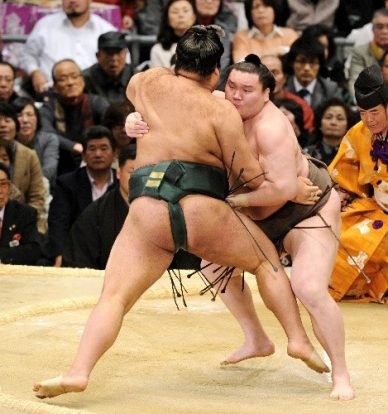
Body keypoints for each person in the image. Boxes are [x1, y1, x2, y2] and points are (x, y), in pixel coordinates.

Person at [33, 25, 324, 399]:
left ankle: (78, 371)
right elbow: (249, 176)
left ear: (176, 60)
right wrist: (288, 185)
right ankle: (297, 339)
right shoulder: (220, 109)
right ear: (216, 72)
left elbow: (135, 92)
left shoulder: (145, 81)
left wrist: (136, 120)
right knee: (266, 262)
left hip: (146, 209)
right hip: (198, 208)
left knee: (114, 298)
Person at [127, 54, 354, 400]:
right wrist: (134, 120)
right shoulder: (218, 105)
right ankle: (257, 338)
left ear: (267, 94)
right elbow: (159, 105)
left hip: (307, 211)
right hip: (257, 211)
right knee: (213, 266)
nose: (235, 95)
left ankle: (341, 373)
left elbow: (281, 189)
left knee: (308, 288)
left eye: (247, 90)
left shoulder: (272, 128)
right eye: (231, 86)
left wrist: (234, 204)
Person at [328, 64, 388, 303]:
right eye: (362, 112)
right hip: (374, 207)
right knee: (335, 239)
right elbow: (343, 174)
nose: (368, 119)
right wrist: (341, 194)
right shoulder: (358, 133)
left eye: (374, 112)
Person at [46, 125, 117, 267]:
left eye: (104, 148)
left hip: (116, 254)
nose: (98, 154)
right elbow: (58, 223)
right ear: (84, 155)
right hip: (76, 253)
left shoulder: (123, 184)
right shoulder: (67, 184)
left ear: (115, 154)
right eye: (92, 149)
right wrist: (60, 255)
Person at [19, 0, 117, 98]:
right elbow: (27, 55)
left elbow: (124, 61)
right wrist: (35, 72)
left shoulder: (106, 29)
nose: (72, 1)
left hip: (96, 95)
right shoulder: (45, 25)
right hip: (52, 95)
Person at [62, 143, 136, 269]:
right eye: (133, 173)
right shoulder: (95, 214)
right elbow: (78, 263)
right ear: (118, 173)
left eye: (147, 174)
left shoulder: (164, 212)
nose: (140, 180)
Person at [40, 59, 109, 175]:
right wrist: (73, 146)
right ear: (55, 86)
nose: (70, 82)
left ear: (82, 80)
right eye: (63, 79)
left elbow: (111, 127)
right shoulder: (49, 108)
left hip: (95, 158)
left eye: (74, 76)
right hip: (61, 165)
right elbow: (46, 133)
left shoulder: (97, 102)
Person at [0, 102, 46, 232]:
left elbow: (36, 198)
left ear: (16, 125)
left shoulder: (29, 155)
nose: (3, 125)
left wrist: (22, 223)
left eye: (8, 120)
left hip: (24, 222)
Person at [284, 36, 343, 112]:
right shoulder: (283, 87)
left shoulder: (330, 89)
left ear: (320, 65)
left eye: (312, 62)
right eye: (302, 61)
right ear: (292, 63)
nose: (307, 68)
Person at [12, 97, 60, 189]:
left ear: (37, 118)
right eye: (19, 115)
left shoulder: (49, 139)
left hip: (43, 188)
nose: (25, 120)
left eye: (29, 115)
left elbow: (50, 170)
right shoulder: (7, 141)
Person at [261, 54, 314, 133]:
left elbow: (309, 139)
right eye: (263, 73)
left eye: (275, 72)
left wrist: (295, 129)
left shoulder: (301, 105)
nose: (270, 78)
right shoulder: (246, 104)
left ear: (284, 78)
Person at [0, 162, 41, 265]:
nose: (0, 191)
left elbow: (32, 250)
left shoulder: (25, 213)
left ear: (9, 187)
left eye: (3, 184)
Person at [232, 0, 298, 63]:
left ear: (274, 9)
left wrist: (257, 57)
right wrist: (276, 52)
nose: (261, 10)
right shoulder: (241, 36)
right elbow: (240, 62)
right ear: (249, 12)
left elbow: (297, 57)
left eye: (266, 6)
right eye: (256, 7)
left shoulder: (289, 34)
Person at [348, 8, 388, 102]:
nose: (385, 31)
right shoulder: (360, 52)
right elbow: (355, 83)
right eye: (380, 27)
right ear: (372, 30)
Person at [82, 31, 133, 103]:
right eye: (109, 54)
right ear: (98, 55)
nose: (114, 59)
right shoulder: (86, 79)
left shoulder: (136, 77)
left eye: (118, 53)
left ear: (126, 55)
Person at [305, 97, 357, 166]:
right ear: (319, 124)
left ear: (348, 126)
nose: (333, 122)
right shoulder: (308, 154)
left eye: (340, 119)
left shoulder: (356, 155)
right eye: (328, 117)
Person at [150, 0, 197, 68]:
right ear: (167, 19)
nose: (181, 15)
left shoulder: (205, 45)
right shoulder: (158, 49)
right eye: (175, 12)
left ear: (194, 17)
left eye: (185, 11)